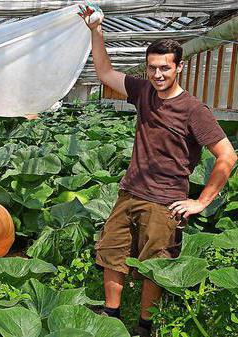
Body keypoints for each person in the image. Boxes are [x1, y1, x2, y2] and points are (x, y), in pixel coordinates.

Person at [78, 4, 237, 337]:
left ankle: (145, 326)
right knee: (111, 253)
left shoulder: (194, 110)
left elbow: (227, 156)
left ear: (179, 66)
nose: (158, 75)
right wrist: (96, 31)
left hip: (165, 201)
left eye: (165, 68)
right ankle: (111, 315)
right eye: (152, 68)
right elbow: (106, 73)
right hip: (129, 191)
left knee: (155, 264)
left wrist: (202, 201)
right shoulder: (143, 91)